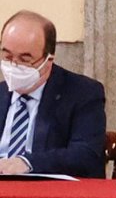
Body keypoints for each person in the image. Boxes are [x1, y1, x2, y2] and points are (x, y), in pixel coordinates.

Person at [0, 10, 106, 179]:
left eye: (25, 60)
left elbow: (85, 155)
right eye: (7, 56)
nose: (14, 65)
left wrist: (26, 163)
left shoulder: (83, 93)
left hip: (47, 189)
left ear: (48, 60)